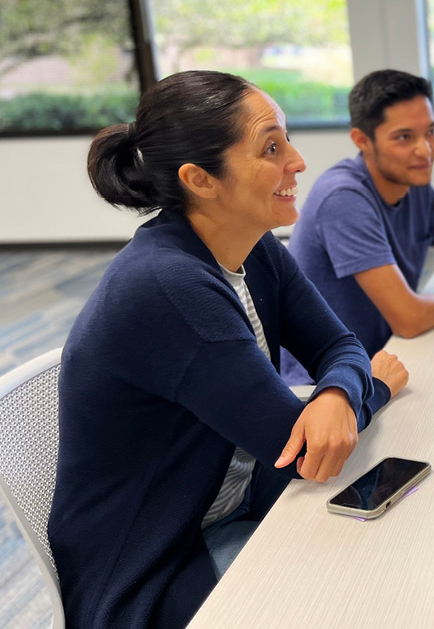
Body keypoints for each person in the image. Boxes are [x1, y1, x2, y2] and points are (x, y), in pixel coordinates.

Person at [49, 70, 408, 629]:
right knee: (357, 591)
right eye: (271, 146)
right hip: (155, 566)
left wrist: (337, 390)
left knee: (384, 550)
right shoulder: (169, 286)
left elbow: (338, 344)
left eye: (286, 138)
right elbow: (297, 449)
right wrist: (373, 386)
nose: (297, 160)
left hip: (224, 497)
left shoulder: (253, 244)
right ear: (200, 179)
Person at [281, 69, 434, 384]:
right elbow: (409, 319)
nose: (425, 150)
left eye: (429, 132)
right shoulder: (343, 198)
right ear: (362, 140)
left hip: (385, 359)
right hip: (325, 384)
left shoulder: (413, 183)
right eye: (405, 137)